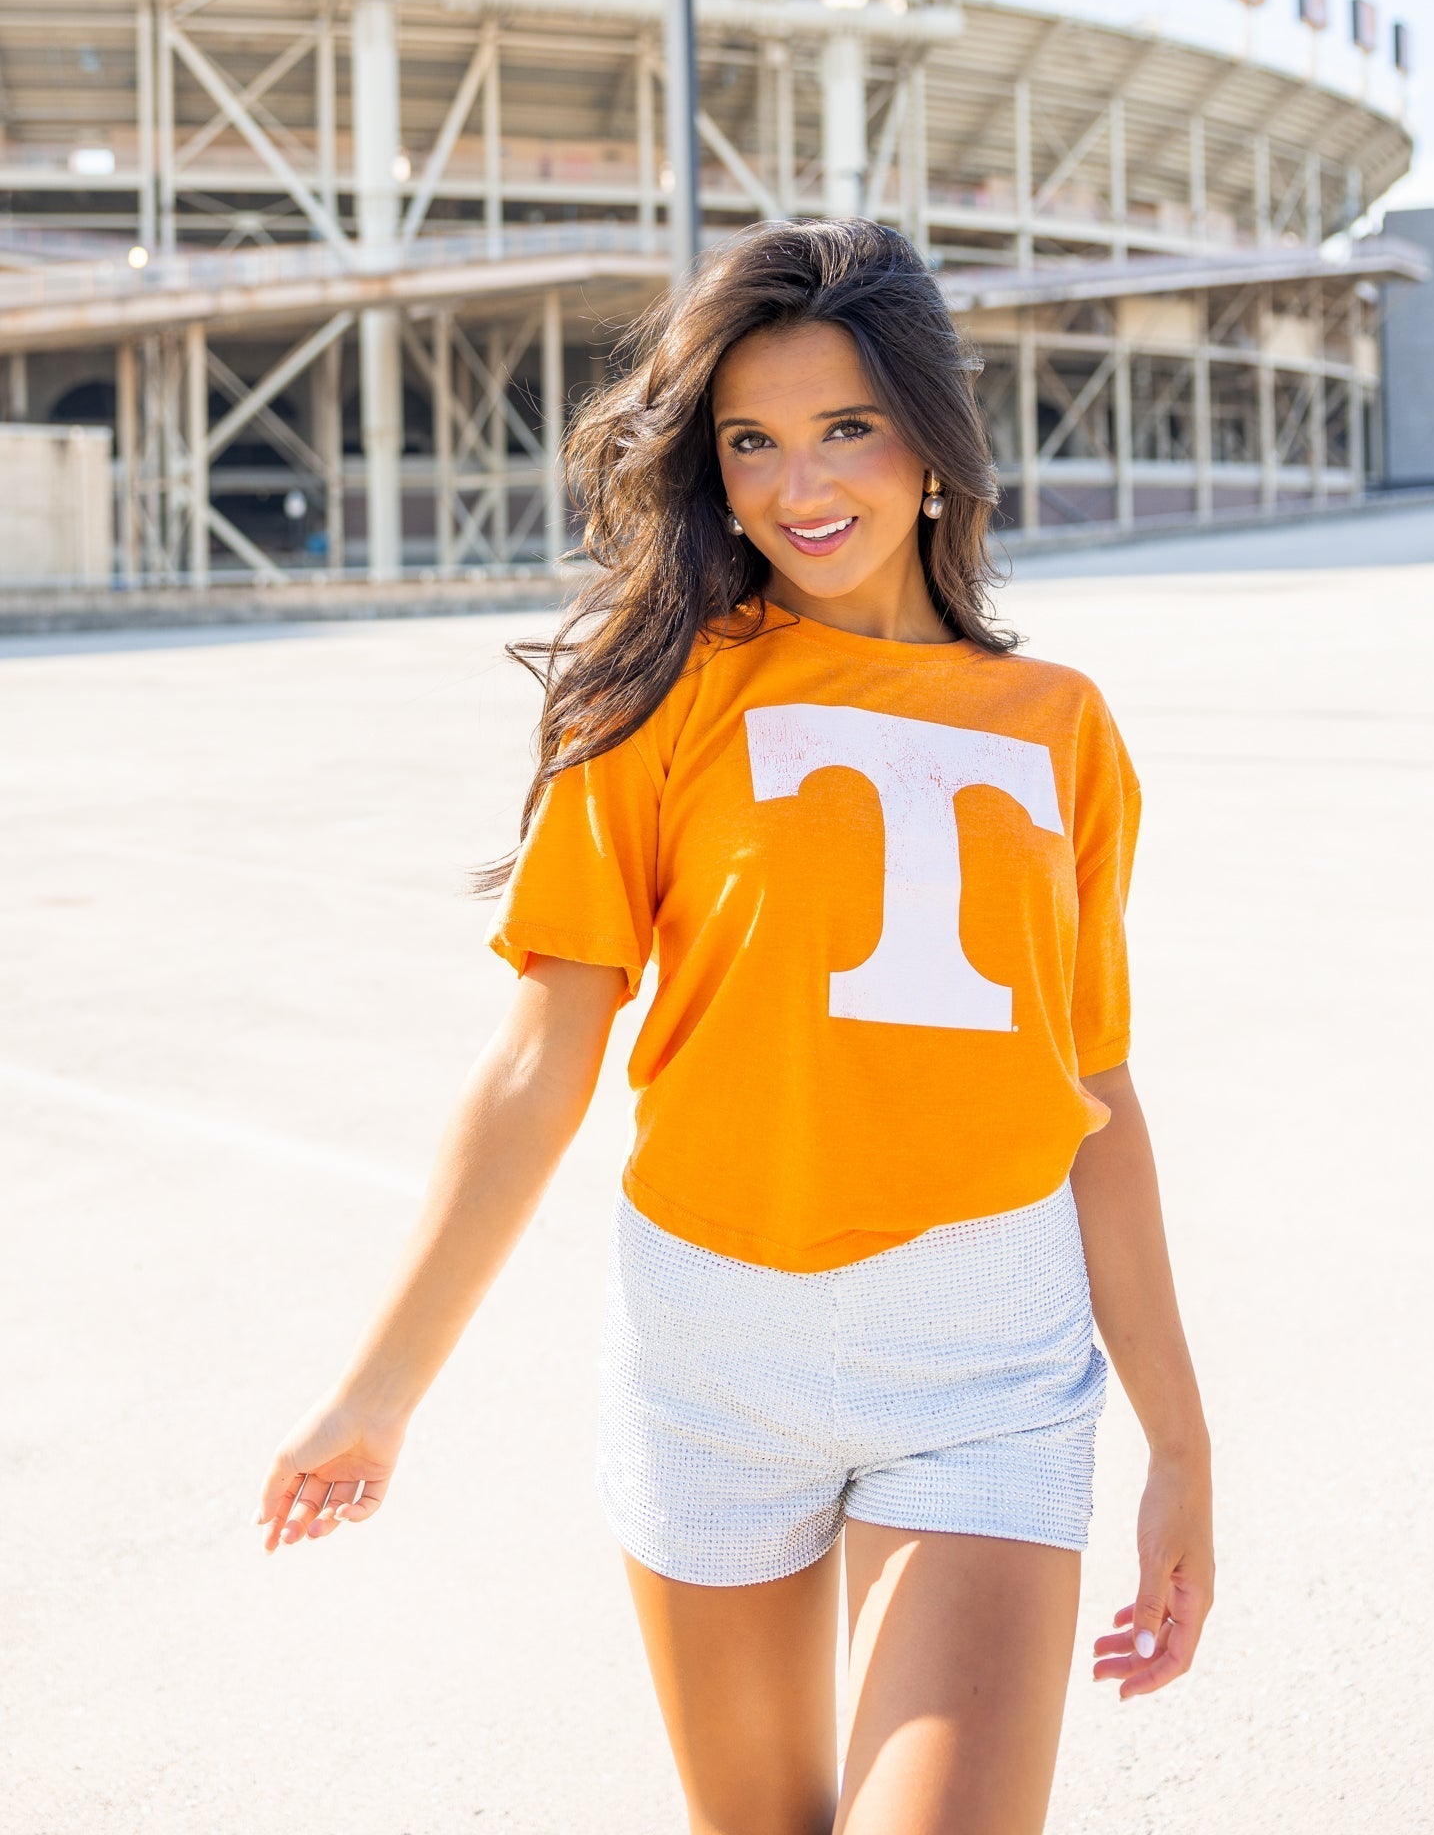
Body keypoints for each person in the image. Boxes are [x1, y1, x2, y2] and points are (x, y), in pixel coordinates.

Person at [253, 218, 1214, 1835]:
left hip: (982, 1354)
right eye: (752, 441)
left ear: (931, 440)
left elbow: (1094, 1092)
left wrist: (1180, 1448)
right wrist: (379, 1389)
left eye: (849, 425)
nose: (800, 484)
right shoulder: (655, 697)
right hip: (711, 1349)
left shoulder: (1064, 729)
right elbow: (540, 1056)